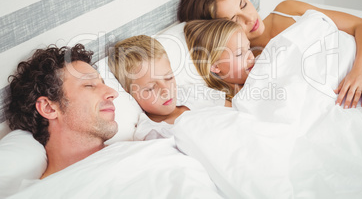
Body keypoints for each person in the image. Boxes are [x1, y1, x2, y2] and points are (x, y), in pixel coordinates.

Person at [177, 0, 362, 109]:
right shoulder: (246, 67)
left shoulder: (286, 9)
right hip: (346, 97)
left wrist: (360, 71)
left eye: (243, 4)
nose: (249, 17)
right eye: (234, 20)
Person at [5, 44, 119, 179]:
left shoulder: (140, 153)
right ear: (48, 108)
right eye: (89, 85)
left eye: (103, 83)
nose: (113, 93)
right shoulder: (43, 193)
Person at [108, 35, 228, 140]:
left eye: (169, 78)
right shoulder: (152, 133)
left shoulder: (194, 93)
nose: (166, 91)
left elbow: (237, 113)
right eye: (151, 88)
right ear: (128, 91)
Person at [184, 19, 254, 102]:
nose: (251, 57)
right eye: (239, 54)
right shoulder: (224, 101)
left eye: (249, 48)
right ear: (215, 66)